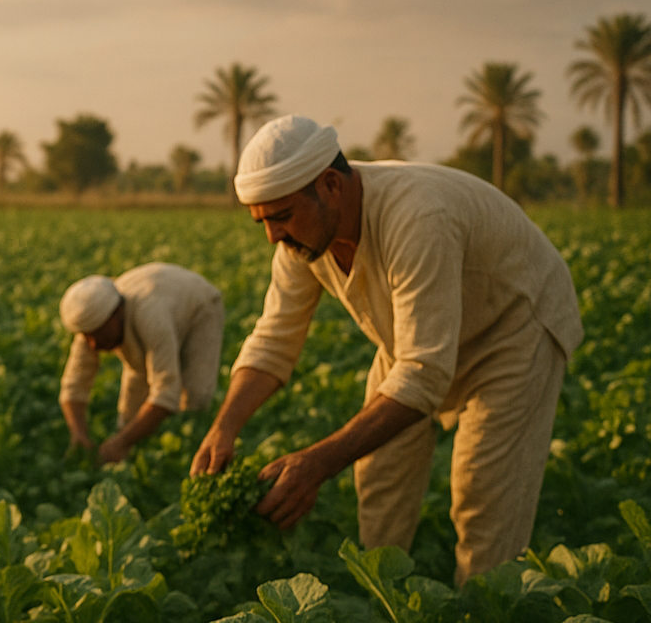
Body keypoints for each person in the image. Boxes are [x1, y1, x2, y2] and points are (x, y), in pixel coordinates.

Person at [190, 114, 582, 585]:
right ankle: (389, 615)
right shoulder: (300, 241)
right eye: (263, 222)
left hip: (512, 329)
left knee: (483, 491)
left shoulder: (416, 216)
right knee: (379, 478)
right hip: (415, 341)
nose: (273, 236)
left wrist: (318, 462)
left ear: (331, 186)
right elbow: (275, 338)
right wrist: (224, 426)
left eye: (281, 216)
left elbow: (424, 372)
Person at [58, 265, 225, 464]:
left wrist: (119, 443)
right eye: (88, 337)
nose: (94, 344)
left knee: (194, 400)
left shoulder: (151, 315)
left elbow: (165, 393)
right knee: (128, 420)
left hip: (199, 308)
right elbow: (73, 387)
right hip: (159, 311)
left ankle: (187, 459)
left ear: (117, 313)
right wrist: (79, 437)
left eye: (99, 334)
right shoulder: (92, 323)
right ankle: (135, 459)